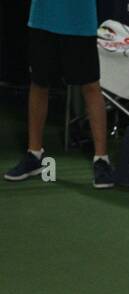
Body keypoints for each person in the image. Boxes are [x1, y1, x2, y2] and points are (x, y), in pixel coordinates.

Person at [4, 0, 114, 188]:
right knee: (39, 84)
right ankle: (35, 154)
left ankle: (102, 160)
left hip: (80, 23)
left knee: (90, 87)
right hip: (42, 20)